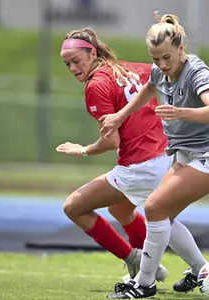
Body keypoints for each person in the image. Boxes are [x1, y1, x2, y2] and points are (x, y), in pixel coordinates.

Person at [101, 12, 209, 299]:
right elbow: (149, 89)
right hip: (187, 153)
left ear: (181, 48)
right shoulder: (159, 71)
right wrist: (119, 116)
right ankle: (200, 270)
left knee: (153, 208)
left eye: (167, 57)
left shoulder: (197, 71)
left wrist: (180, 113)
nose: (162, 65)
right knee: (162, 216)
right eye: (155, 59)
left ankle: (144, 284)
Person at [56, 27, 172, 283]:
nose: (73, 68)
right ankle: (147, 267)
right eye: (67, 64)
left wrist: (82, 150)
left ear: (92, 53)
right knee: (120, 208)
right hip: (164, 155)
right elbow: (162, 79)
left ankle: (137, 262)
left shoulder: (96, 85)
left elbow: (111, 141)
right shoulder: (129, 68)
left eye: (76, 61)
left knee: (73, 207)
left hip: (140, 165)